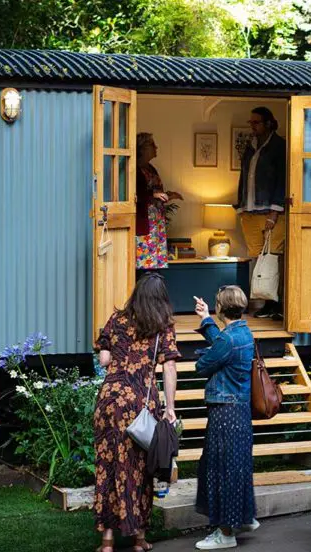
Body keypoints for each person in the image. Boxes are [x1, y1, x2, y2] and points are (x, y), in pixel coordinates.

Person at [93, 273, 181, 552]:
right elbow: (168, 367)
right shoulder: (162, 325)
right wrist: (170, 407)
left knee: (107, 468)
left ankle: (107, 541)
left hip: (108, 401)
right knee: (140, 469)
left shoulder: (116, 319)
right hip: (140, 404)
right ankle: (138, 539)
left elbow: (105, 358)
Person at [192, 286, 258, 550]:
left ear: (221, 307)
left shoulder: (227, 340)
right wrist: (205, 318)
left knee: (221, 470)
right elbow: (221, 344)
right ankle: (244, 517)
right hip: (239, 409)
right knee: (237, 466)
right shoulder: (243, 332)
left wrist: (203, 354)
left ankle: (226, 534)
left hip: (224, 412)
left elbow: (202, 366)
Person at [234, 107, 286, 320]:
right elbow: (244, 177)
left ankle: (278, 304)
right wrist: (240, 206)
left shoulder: (279, 146)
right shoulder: (250, 146)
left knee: (273, 256)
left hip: (270, 211)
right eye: (251, 122)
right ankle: (265, 302)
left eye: (256, 122)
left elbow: (283, 179)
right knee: (258, 257)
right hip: (250, 210)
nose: (252, 126)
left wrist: (274, 212)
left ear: (268, 123)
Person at [135, 132, 183, 270]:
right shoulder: (135, 169)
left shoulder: (151, 168)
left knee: (155, 265)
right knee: (144, 264)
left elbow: (155, 193)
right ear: (143, 148)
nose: (156, 147)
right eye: (152, 145)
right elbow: (136, 194)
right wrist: (154, 194)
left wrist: (168, 195)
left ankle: (153, 289)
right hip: (146, 223)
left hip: (156, 222)